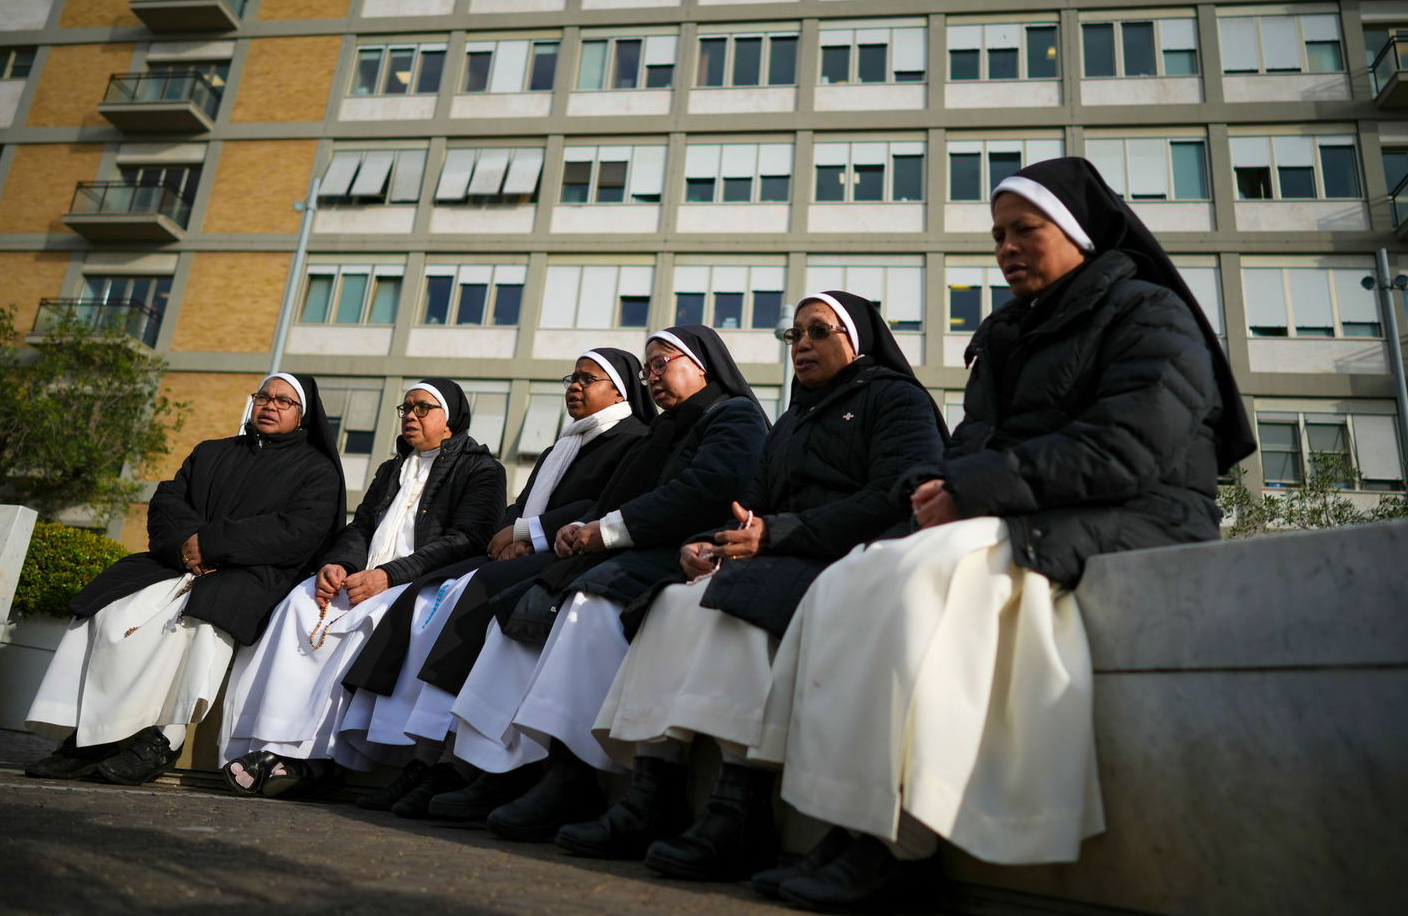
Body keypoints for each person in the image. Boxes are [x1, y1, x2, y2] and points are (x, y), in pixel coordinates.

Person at [748, 156, 1257, 911]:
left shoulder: (1151, 313)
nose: (1008, 248)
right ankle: (855, 823)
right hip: (1033, 506)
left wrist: (968, 490)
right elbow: (973, 446)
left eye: (1027, 230)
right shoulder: (1006, 332)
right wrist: (931, 492)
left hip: (1140, 512)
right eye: (997, 235)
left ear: (1079, 232)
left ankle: (904, 842)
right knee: (855, 575)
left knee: (922, 576)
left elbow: (1127, 448)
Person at [566, 294, 947, 880]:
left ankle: (738, 809)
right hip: (784, 551)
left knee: (738, 603)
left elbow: (898, 493)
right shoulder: (791, 420)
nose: (803, 345)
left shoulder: (896, 399)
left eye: (819, 332)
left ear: (859, 340)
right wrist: (713, 542)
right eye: (793, 335)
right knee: (671, 600)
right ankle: (652, 792)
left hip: (853, 553)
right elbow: (756, 511)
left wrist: (779, 535)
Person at [431, 325, 770, 839]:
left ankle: (572, 774)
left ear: (703, 366)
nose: (652, 376)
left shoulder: (733, 415)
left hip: (680, 550)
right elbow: (616, 494)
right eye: (647, 367)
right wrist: (577, 528)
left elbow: (708, 488)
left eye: (663, 363)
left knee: (587, 601)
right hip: (636, 549)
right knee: (518, 605)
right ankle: (490, 767)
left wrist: (606, 531)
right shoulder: (664, 430)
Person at [334, 350, 655, 815]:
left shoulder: (633, 440)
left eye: (589, 379)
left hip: (569, 553)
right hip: (527, 551)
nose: (575, 386)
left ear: (622, 389)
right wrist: (509, 533)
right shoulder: (561, 446)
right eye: (573, 378)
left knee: (470, 594)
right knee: (434, 596)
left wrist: (526, 535)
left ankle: (460, 765)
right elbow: (521, 505)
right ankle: (427, 759)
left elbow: (600, 503)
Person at [24, 372, 344, 786]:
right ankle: (92, 738)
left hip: (255, 572)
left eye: (285, 401)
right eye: (264, 397)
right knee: (110, 611)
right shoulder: (211, 451)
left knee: (197, 622)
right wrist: (187, 546)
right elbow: (168, 501)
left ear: (302, 416)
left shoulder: (317, 471)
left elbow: (298, 530)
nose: (270, 406)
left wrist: (211, 544)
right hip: (181, 562)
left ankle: (162, 739)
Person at [218, 378, 504, 797]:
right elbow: (363, 525)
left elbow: (469, 538)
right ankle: (269, 740)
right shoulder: (393, 468)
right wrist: (339, 563)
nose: (411, 415)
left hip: (419, 582)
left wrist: (390, 575)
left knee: (370, 619)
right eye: (406, 408)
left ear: (451, 420)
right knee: (300, 604)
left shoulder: (482, 469)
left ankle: (317, 755)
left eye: (423, 408)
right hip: (365, 575)